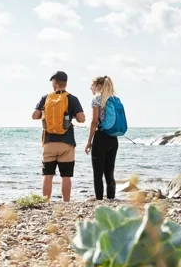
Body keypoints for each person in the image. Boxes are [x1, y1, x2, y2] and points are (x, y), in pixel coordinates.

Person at [32, 71, 85, 202]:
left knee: (47, 174)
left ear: (55, 83)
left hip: (49, 142)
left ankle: (45, 202)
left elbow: (34, 116)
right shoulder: (72, 98)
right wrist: (70, 116)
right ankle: (66, 203)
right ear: (66, 83)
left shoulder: (46, 98)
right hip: (66, 143)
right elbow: (82, 119)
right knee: (66, 176)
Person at [85, 75, 119, 200]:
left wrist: (89, 141)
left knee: (98, 173)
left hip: (100, 138)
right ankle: (111, 199)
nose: (90, 88)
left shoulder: (96, 99)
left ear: (98, 86)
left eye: (92, 85)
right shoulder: (115, 99)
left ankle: (99, 200)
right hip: (113, 138)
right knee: (110, 172)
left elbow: (94, 122)